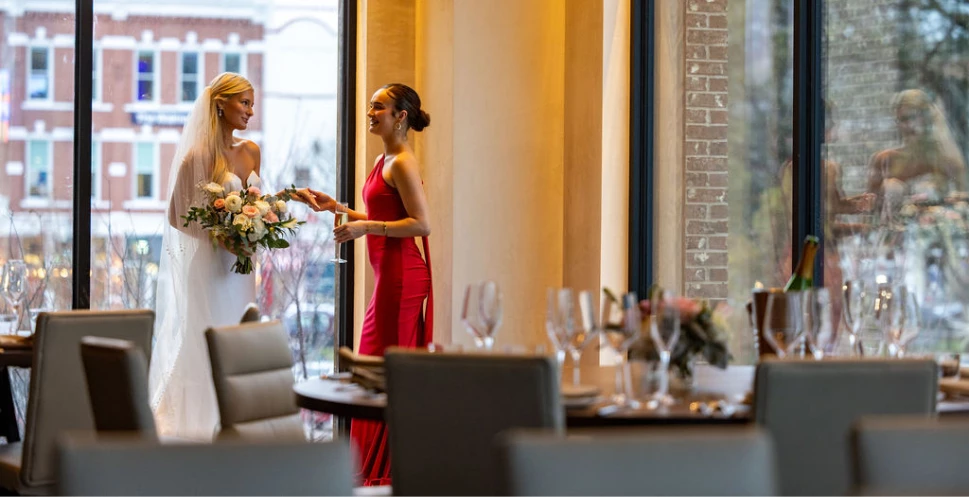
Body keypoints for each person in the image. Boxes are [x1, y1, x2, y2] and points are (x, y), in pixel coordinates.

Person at [303, 83, 433, 485]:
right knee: (376, 369)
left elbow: (420, 223)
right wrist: (339, 208)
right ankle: (373, 470)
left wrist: (364, 228)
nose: (371, 112)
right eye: (371, 106)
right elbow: (383, 211)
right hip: (388, 277)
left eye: (379, 107)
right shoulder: (385, 159)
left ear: (400, 116)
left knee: (384, 372)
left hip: (403, 278)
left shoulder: (403, 163)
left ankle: (386, 473)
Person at [149, 72, 270, 440]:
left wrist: (257, 228)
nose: (250, 111)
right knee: (204, 341)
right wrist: (220, 236)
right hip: (210, 266)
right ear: (221, 104)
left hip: (241, 269)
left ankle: (237, 427)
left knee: (239, 340)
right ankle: (197, 428)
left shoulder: (251, 151)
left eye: (252, 104)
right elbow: (175, 215)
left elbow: (257, 203)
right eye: (244, 103)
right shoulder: (197, 155)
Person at [867, 88, 967, 219]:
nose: (908, 126)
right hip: (897, 236)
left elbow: (964, 205)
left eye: (913, 117)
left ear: (927, 119)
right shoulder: (884, 160)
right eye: (901, 120)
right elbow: (869, 216)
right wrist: (886, 192)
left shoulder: (947, 160)